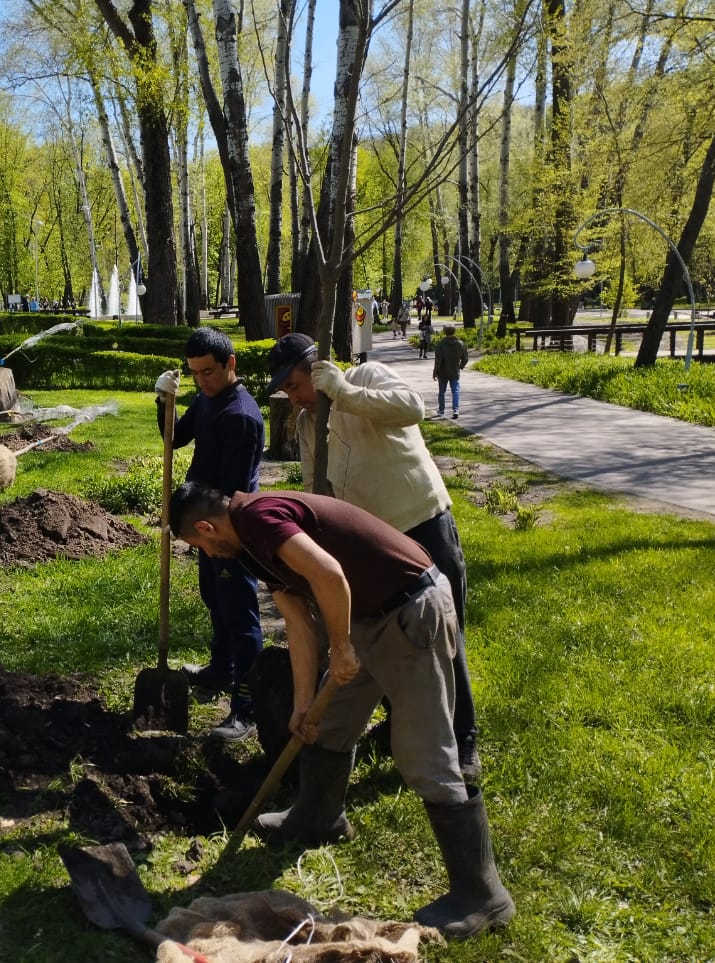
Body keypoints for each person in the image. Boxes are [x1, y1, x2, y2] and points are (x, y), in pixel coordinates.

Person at [168, 481, 515, 940]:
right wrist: (305, 702)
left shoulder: (259, 518)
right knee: (327, 726)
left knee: (424, 752)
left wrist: (342, 646)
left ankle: (483, 895)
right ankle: (318, 819)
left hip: (411, 610)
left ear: (208, 526)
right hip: (368, 616)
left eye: (201, 546)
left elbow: (330, 575)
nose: (209, 556)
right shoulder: (250, 544)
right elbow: (297, 620)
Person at [266, 333, 481, 779]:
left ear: (316, 368)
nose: (294, 397)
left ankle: (462, 745)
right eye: (286, 390)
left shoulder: (365, 377)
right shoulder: (310, 425)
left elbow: (411, 407)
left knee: (443, 641)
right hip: (375, 548)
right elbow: (315, 489)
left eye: (295, 385)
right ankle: (404, 725)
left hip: (422, 524)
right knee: (385, 643)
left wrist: (343, 393)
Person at [154, 327, 266, 741]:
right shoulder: (207, 397)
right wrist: (164, 401)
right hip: (203, 525)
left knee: (239, 614)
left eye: (209, 372)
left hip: (228, 533)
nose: (202, 380)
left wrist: (195, 520)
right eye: (195, 374)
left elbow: (230, 496)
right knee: (214, 600)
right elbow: (175, 437)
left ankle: (246, 708)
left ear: (230, 364)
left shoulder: (240, 417)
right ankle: (222, 670)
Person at [433, 325, 469, 419]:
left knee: (442, 391)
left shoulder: (441, 344)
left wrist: (435, 371)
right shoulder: (460, 344)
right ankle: (455, 410)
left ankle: (441, 410)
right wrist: (460, 366)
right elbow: (465, 358)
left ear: (445, 332)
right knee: (455, 391)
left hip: (442, 371)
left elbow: (438, 360)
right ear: (454, 332)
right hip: (455, 371)